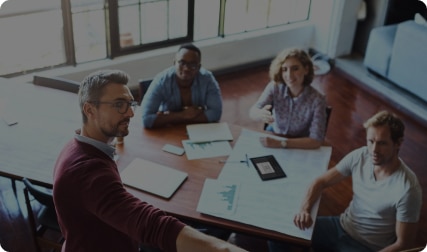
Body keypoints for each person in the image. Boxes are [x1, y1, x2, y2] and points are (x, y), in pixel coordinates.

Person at [53, 69, 246, 252]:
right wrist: (225, 248)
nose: (130, 113)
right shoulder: (87, 171)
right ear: (90, 109)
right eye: (119, 104)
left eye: (130, 104)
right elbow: (153, 226)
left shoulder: (77, 144)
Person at [269, 110, 422, 252]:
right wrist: (304, 210)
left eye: (382, 143)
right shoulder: (360, 156)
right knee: (278, 236)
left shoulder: (408, 189)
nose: (374, 150)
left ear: (398, 143)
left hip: (365, 246)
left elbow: (403, 244)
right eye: (370, 141)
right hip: (341, 226)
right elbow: (320, 181)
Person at [249, 48, 327, 149]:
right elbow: (253, 111)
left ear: (306, 69)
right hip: (275, 135)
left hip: (299, 144)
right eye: (284, 69)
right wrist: (259, 114)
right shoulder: (274, 87)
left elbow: (316, 141)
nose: (289, 75)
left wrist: (281, 143)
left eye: (295, 68)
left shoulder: (318, 100)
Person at [141, 43, 222, 128]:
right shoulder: (161, 80)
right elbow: (146, 119)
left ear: (199, 67)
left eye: (193, 65)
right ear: (174, 63)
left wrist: (169, 117)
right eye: (182, 63)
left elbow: (216, 113)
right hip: (168, 132)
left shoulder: (207, 79)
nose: (186, 68)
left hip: (197, 131)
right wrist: (182, 115)